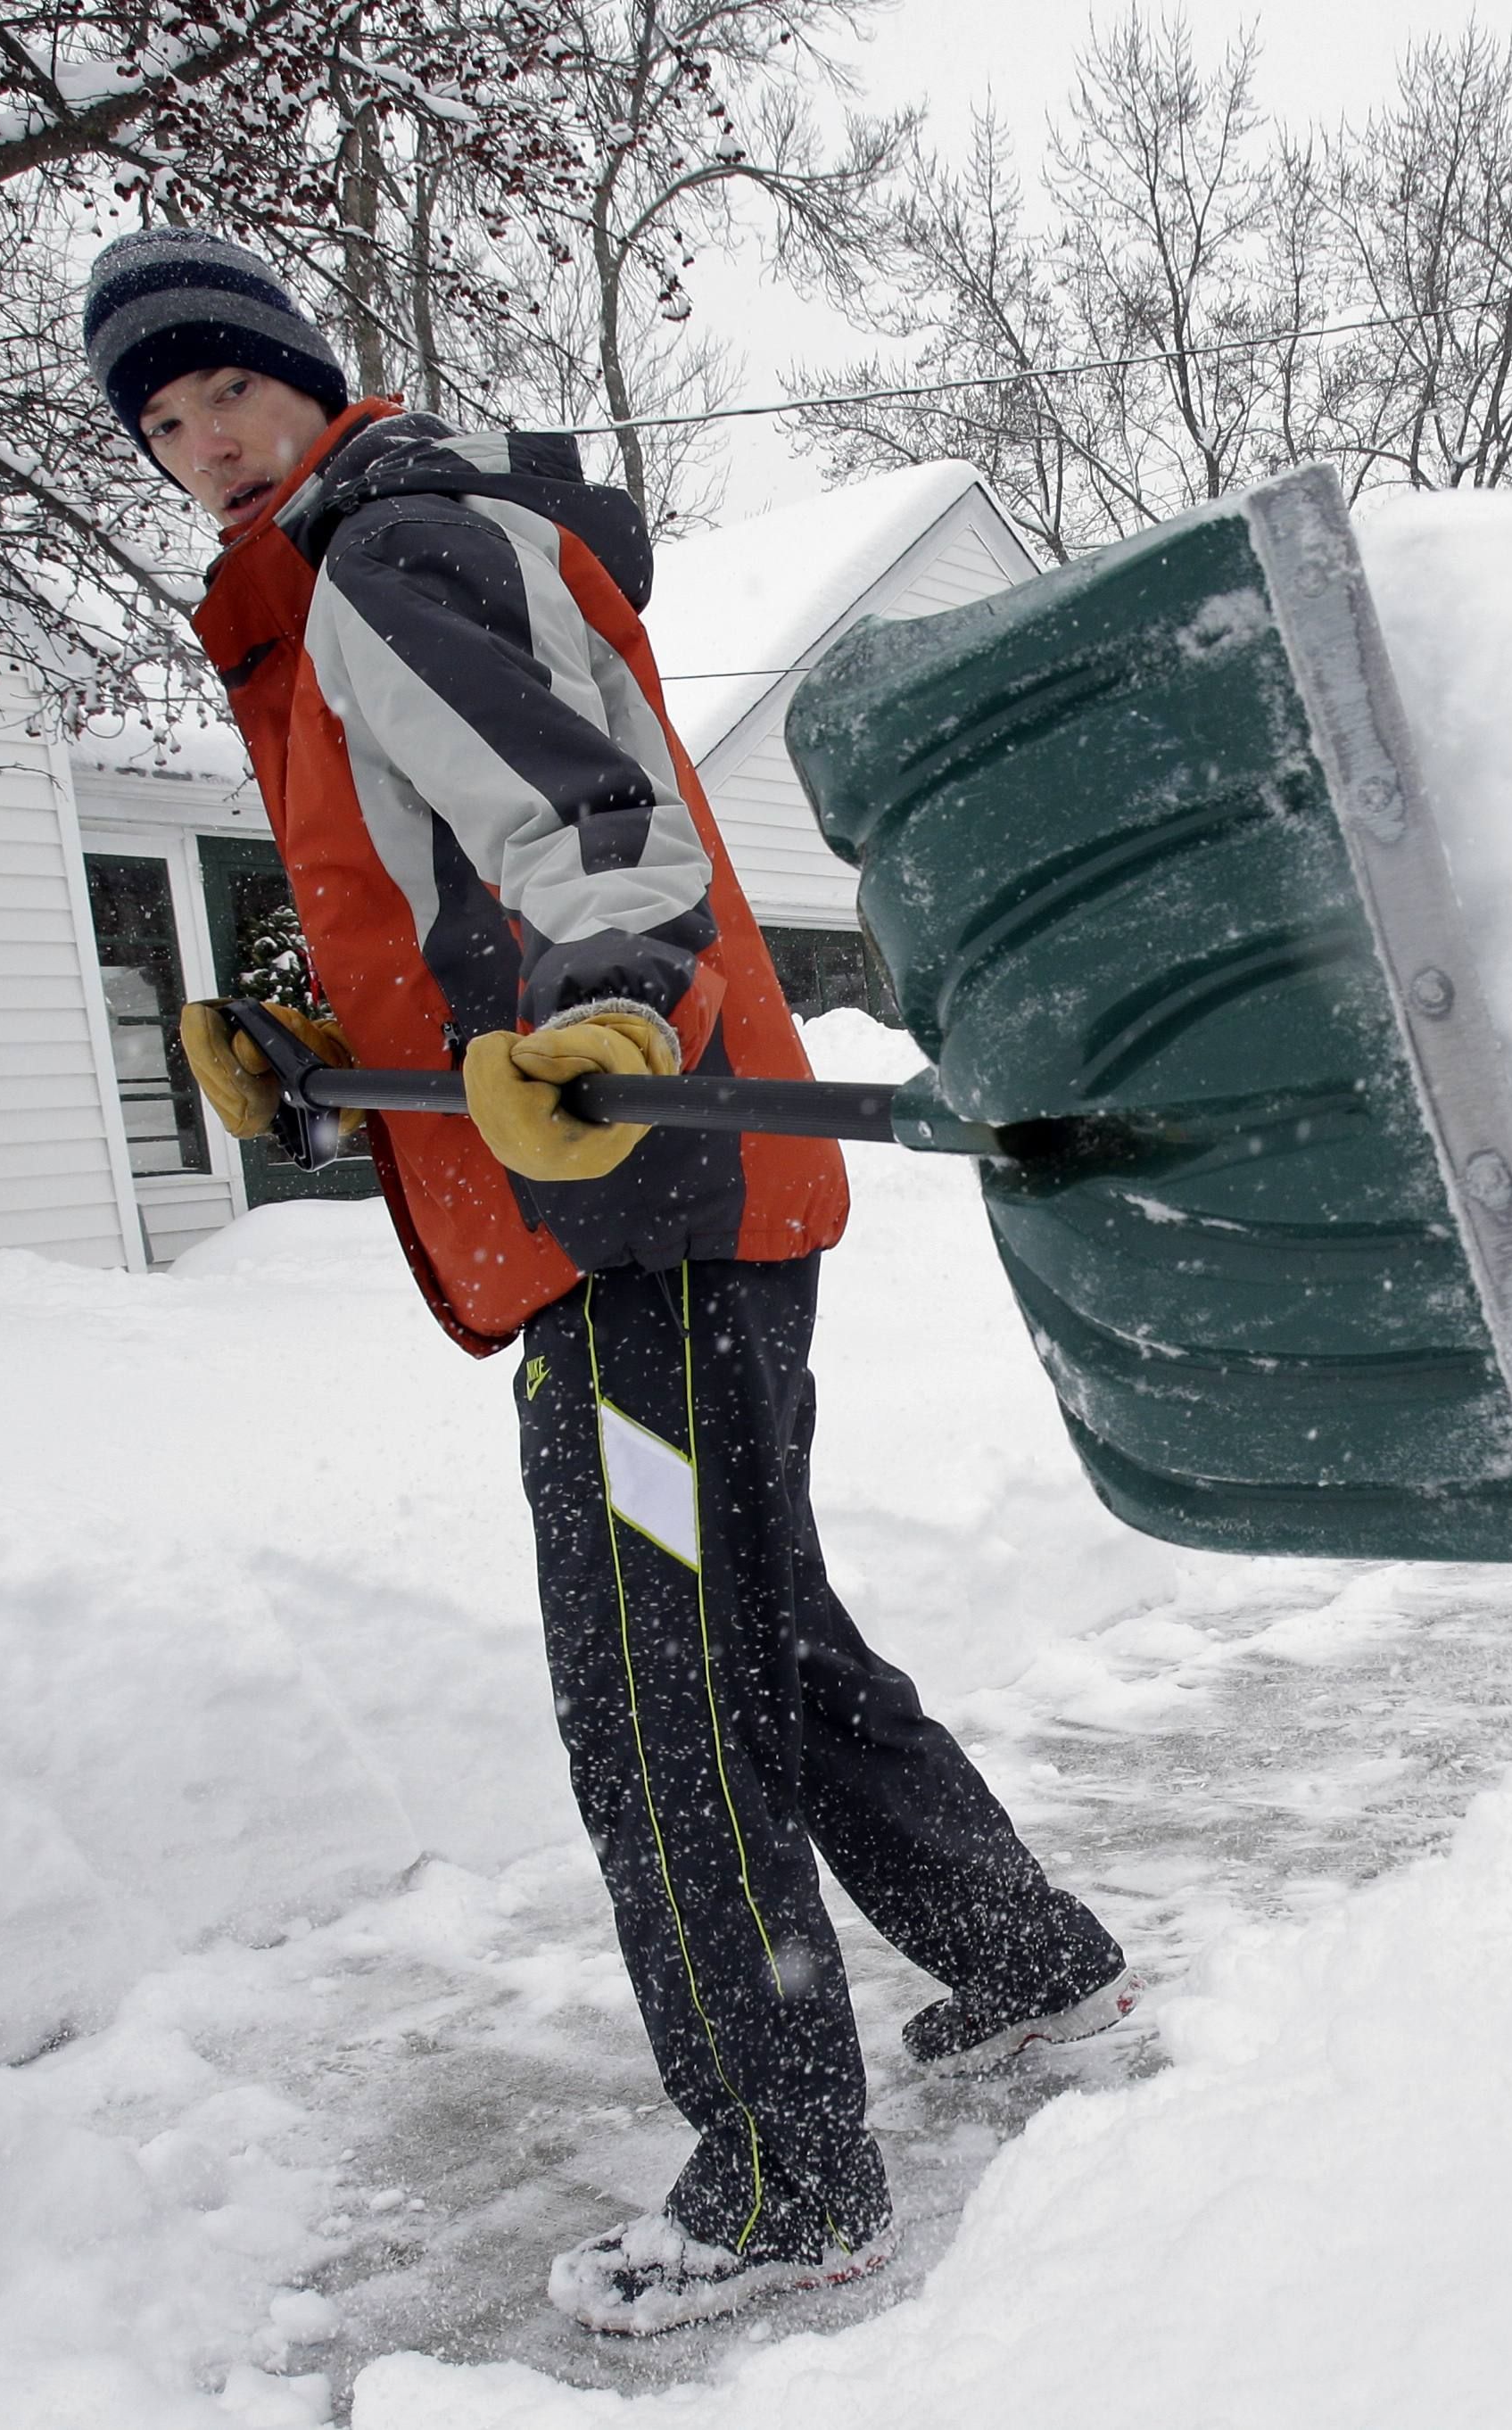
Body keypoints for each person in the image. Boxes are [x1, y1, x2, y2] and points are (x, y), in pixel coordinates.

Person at [82, 228, 1133, 2337]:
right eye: (165, 424)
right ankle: (1020, 1959)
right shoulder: (355, 571)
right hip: (655, 1199)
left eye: (225, 398)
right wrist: (306, 1028)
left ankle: (781, 2175)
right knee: (752, 1624)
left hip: (630, 1197)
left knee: (657, 1692)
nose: (202, 446)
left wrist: (620, 999)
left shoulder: (387, 549)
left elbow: (584, 817)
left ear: (305, 381)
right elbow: (431, 859)